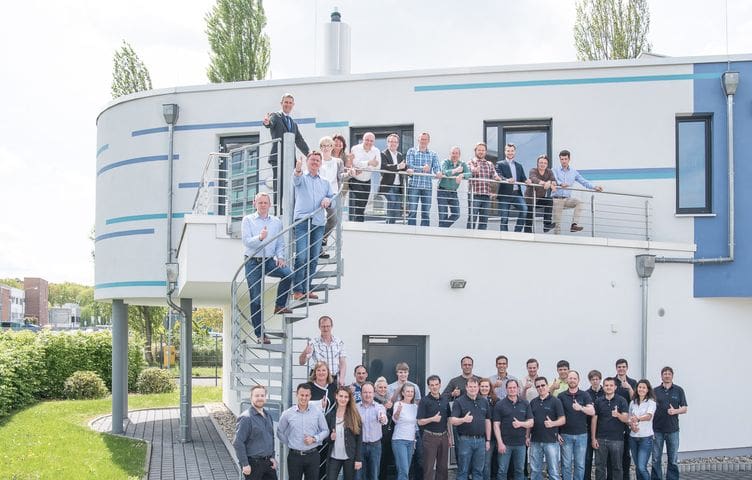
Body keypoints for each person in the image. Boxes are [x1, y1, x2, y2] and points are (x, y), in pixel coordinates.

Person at [241, 192, 293, 344]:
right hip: (252, 262)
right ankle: (260, 335)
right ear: (254, 204)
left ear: (270, 205)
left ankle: (280, 305)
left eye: (265, 202)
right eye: (260, 202)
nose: (263, 205)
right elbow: (246, 241)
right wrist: (260, 237)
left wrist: (281, 257)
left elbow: (279, 242)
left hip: (269, 260)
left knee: (288, 274)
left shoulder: (276, 222)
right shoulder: (247, 220)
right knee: (256, 299)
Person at [292, 152, 334, 301]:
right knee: (301, 257)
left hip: (318, 223)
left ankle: (307, 289)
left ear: (320, 163)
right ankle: (297, 290)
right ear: (307, 162)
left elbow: (332, 199)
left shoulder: (325, 182)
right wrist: (298, 169)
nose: (315, 162)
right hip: (302, 221)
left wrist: (327, 200)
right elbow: (296, 179)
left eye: (317, 160)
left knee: (313, 258)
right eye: (312, 160)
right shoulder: (301, 177)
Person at [263, 93, 310, 208]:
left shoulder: (293, 123)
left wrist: (309, 154)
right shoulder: (276, 116)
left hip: (290, 159)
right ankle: (277, 210)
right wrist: (267, 123)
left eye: (290, 103)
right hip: (278, 156)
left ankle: (290, 210)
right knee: (278, 184)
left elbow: (299, 140)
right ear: (281, 103)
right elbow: (270, 123)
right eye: (286, 102)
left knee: (291, 185)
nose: (288, 105)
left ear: (293, 105)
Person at [277, 383, 330, 480]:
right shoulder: (288, 414)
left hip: (312, 455)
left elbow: (326, 430)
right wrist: (290, 442)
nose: (304, 398)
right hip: (295, 457)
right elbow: (279, 432)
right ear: (296, 395)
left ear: (310, 396)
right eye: (302, 395)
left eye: (307, 395)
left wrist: (314, 439)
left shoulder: (317, 412)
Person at [551, 149, 603, 234]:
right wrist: (560, 184)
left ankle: (574, 225)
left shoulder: (573, 172)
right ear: (560, 159)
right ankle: (557, 240)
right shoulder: (554, 169)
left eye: (565, 159)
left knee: (579, 202)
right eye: (562, 159)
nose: (564, 161)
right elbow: (554, 179)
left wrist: (594, 187)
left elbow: (583, 181)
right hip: (557, 199)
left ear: (569, 159)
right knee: (557, 225)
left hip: (567, 199)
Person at [450, 377, 492, 480]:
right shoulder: (459, 401)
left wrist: (488, 440)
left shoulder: (484, 401)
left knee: (478, 471)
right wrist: (463, 420)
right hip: (465, 441)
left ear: (478, 388)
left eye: (475, 387)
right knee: (463, 471)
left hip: (481, 441)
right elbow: (453, 420)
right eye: (470, 387)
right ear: (466, 387)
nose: (473, 389)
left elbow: (487, 421)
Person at [233, 385, 277, 480]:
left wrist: (272, 457)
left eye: (262, 395)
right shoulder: (246, 418)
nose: (260, 398)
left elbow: (271, 437)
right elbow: (238, 442)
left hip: (268, 463)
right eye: (257, 396)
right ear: (251, 398)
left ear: (265, 398)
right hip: (253, 465)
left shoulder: (268, 415)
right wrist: (245, 464)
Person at [651, 366, 688, 480]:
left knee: (673, 459)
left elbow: (684, 408)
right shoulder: (655, 391)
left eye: (669, 374)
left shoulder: (679, 390)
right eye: (665, 374)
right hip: (657, 430)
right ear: (661, 376)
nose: (667, 376)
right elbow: (649, 408)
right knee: (656, 459)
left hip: (673, 430)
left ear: (672, 376)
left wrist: (675, 411)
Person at [493, 379, 533, 480]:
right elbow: (496, 425)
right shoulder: (500, 404)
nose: (512, 390)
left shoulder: (525, 403)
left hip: (521, 444)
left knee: (519, 470)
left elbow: (531, 422)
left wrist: (521, 424)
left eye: (514, 387)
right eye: (510, 388)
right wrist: (500, 443)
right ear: (506, 389)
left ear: (518, 388)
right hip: (505, 444)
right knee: (502, 470)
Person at [559, 371, 595, 480]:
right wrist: (557, 433)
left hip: (581, 435)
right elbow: (557, 415)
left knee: (580, 464)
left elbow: (592, 411)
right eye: (570, 378)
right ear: (567, 380)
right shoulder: (561, 396)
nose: (572, 380)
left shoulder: (585, 395)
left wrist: (581, 408)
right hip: (565, 435)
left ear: (578, 380)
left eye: (574, 378)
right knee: (566, 464)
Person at [592, 377, 629, 480]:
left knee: (617, 467)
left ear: (615, 387)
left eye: (611, 385)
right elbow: (594, 420)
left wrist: (618, 415)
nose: (609, 387)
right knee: (600, 467)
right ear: (603, 387)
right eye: (606, 385)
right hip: (601, 439)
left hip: (617, 440)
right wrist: (593, 438)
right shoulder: (598, 401)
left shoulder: (621, 400)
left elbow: (626, 419)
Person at [528, 376, 565, 480]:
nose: (541, 388)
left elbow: (563, 420)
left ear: (547, 386)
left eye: (543, 385)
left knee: (553, 471)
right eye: (538, 386)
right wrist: (527, 436)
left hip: (551, 441)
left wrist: (553, 423)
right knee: (535, 471)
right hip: (535, 441)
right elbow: (530, 421)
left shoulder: (556, 401)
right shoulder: (533, 402)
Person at [417, 375, 452, 480]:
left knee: (443, 467)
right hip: (430, 437)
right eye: (432, 385)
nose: (434, 387)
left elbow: (448, 419)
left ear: (440, 385)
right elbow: (419, 422)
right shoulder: (424, 401)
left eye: (436, 384)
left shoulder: (445, 400)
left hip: (444, 436)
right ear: (428, 386)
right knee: (428, 466)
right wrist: (432, 419)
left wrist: (450, 436)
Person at [326, 387, 363, 480]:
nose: (343, 399)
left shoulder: (355, 416)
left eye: (346, 397)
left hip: (350, 457)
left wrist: (358, 459)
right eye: (341, 396)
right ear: (336, 396)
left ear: (349, 399)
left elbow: (359, 439)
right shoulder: (330, 416)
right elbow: (325, 438)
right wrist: (330, 438)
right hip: (334, 456)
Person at [405, 132, 442, 226]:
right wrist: (422, 168)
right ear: (418, 140)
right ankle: (411, 231)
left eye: (425, 139)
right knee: (412, 211)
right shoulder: (411, 151)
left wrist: (438, 172)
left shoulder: (433, 154)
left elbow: (437, 167)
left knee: (426, 213)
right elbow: (409, 166)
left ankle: (424, 232)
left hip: (427, 187)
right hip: (414, 185)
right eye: (422, 139)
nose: (423, 141)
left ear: (428, 141)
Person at [299, 315, 347, 386]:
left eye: (328, 326)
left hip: (333, 378)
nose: (326, 329)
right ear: (319, 327)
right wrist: (304, 353)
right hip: (317, 379)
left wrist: (342, 378)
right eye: (323, 326)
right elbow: (302, 362)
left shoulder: (339, 342)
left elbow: (343, 363)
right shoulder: (313, 342)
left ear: (332, 326)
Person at [317, 136, 344, 259]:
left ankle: (322, 238)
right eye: (323, 146)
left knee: (333, 219)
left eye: (328, 145)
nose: (326, 148)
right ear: (320, 148)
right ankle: (318, 248)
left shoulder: (337, 161)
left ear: (332, 147)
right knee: (317, 222)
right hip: (319, 194)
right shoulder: (317, 160)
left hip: (332, 194)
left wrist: (350, 174)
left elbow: (341, 176)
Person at [357, 382, 388, 480]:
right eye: (365, 392)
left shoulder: (379, 407)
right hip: (359, 446)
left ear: (374, 393)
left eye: (370, 392)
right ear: (361, 394)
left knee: (374, 475)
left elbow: (383, 418)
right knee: (358, 475)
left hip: (375, 446)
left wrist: (382, 418)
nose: (367, 395)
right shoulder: (355, 408)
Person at [495, 144, 528, 232]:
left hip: (516, 194)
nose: (510, 153)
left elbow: (523, 178)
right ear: (505, 152)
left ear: (515, 152)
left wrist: (527, 180)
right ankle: (504, 235)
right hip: (504, 194)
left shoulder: (519, 165)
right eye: (508, 151)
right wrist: (507, 180)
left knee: (524, 209)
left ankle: (517, 231)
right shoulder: (500, 164)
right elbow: (498, 175)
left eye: (512, 151)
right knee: (504, 217)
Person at [467, 142, 501, 230]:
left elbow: (494, 175)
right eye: (479, 150)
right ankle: (469, 236)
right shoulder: (471, 162)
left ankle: (480, 238)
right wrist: (474, 170)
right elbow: (468, 174)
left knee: (484, 221)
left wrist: (497, 177)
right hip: (474, 195)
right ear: (475, 151)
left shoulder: (489, 164)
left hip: (486, 196)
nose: (481, 152)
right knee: (472, 219)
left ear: (485, 152)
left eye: (483, 150)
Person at [348, 132, 381, 222]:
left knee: (363, 203)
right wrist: (369, 162)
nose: (369, 142)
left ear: (374, 142)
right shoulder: (355, 148)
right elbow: (355, 163)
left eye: (371, 141)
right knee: (361, 197)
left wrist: (363, 165)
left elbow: (377, 167)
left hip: (367, 180)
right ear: (363, 140)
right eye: (367, 140)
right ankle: (357, 221)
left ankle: (358, 221)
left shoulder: (376, 151)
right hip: (354, 179)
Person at [628, 380, 656, 480]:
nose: (641, 389)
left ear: (648, 390)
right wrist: (632, 426)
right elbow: (629, 418)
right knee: (637, 467)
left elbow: (648, 416)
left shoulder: (651, 402)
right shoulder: (633, 402)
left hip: (646, 438)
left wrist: (638, 419)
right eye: (640, 387)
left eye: (644, 387)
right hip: (633, 437)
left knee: (641, 467)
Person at [615, 359, 637, 480]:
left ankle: (625, 477)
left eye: (623, 367)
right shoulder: (612, 382)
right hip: (614, 421)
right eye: (619, 367)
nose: (621, 369)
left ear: (627, 368)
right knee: (615, 453)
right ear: (616, 368)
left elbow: (636, 400)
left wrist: (629, 388)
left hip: (628, 422)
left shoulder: (632, 382)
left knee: (626, 453)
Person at [437, 146, 470, 228]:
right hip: (442, 191)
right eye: (453, 153)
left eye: (456, 153)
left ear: (459, 155)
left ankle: (441, 229)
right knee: (443, 216)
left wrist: (461, 175)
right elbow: (444, 172)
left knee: (456, 214)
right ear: (450, 154)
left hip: (453, 192)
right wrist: (456, 170)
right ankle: (442, 231)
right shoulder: (445, 162)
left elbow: (469, 174)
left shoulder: (462, 164)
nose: (454, 155)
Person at [392, 383, 419, 480]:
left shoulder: (415, 406)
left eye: (412, 391)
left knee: (406, 470)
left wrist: (414, 441)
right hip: (399, 440)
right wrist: (398, 411)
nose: (410, 393)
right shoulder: (398, 404)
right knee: (403, 470)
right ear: (403, 393)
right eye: (408, 391)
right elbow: (395, 420)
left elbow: (415, 425)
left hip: (411, 442)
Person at [523, 154, 556, 233]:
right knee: (529, 219)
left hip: (539, 198)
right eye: (541, 162)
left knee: (549, 200)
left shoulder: (549, 171)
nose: (543, 164)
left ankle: (547, 225)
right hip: (530, 199)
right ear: (537, 163)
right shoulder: (533, 170)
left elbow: (554, 180)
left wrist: (550, 182)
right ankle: (527, 234)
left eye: (545, 163)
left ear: (547, 164)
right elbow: (533, 179)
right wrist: (545, 183)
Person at [380, 133, 407, 224]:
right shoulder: (383, 154)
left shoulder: (400, 155)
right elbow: (384, 166)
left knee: (396, 207)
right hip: (388, 185)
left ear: (398, 144)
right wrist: (398, 166)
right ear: (387, 143)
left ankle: (391, 224)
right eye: (391, 141)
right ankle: (389, 225)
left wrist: (408, 169)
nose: (393, 144)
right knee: (392, 201)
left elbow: (403, 167)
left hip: (398, 186)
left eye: (395, 142)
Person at [373, 377, 395, 480]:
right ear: (375, 388)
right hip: (377, 436)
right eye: (380, 387)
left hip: (387, 436)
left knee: (384, 462)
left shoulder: (389, 400)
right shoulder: (373, 400)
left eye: (385, 387)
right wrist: (385, 408)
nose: (383, 389)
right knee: (376, 463)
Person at [585, 370, 605, 480]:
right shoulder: (586, 394)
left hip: (602, 429)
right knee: (587, 458)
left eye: (597, 379)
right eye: (593, 379)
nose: (595, 381)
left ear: (600, 379)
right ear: (590, 380)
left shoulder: (605, 392)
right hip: (588, 429)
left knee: (601, 460)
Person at [479, 378, 499, 480]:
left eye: (486, 386)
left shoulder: (496, 401)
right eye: (482, 386)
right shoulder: (475, 400)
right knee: (483, 463)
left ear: (490, 387)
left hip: (494, 436)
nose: (484, 388)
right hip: (481, 436)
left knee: (493, 462)